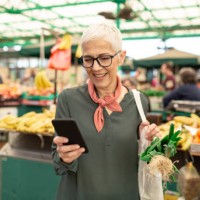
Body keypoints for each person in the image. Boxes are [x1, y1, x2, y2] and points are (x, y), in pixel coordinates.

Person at [52, 23, 160, 200]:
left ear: (121, 57)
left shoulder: (140, 102)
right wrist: (64, 157)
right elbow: (58, 164)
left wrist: (151, 143)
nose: (95, 67)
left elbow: (147, 161)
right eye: (88, 59)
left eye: (104, 58)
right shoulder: (68, 99)